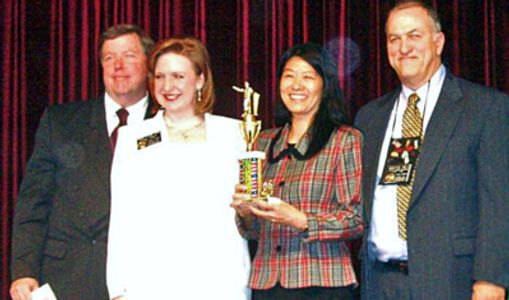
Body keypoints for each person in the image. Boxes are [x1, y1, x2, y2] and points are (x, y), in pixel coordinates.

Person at [354, 1, 509, 299]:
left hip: (451, 282)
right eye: (394, 38)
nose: (403, 47)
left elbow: (499, 205)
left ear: (438, 42)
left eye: (414, 35)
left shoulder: (485, 107)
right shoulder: (369, 117)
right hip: (380, 284)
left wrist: (491, 280)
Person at [9, 24, 154, 300]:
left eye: (129, 56)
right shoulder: (61, 122)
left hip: (144, 281)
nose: (118, 66)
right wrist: (24, 270)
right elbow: (33, 202)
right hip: (69, 279)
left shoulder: (170, 127)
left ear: (149, 64)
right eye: (109, 58)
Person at [106, 36, 251, 300]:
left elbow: (247, 213)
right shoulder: (134, 138)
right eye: (160, 77)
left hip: (220, 281)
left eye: (178, 76)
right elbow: (122, 217)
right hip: (151, 284)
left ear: (200, 79)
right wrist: (118, 289)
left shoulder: (234, 134)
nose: (167, 86)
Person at [231, 43, 363, 300]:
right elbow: (253, 230)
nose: (296, 85)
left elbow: (356, 220)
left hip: (324, 284)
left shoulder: (345, 140)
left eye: (307, 77)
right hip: (268, 283)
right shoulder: (262, 142)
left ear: (324, 85)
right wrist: (245, 211)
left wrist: (299, 219)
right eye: (289, 75)